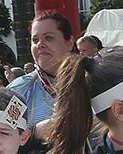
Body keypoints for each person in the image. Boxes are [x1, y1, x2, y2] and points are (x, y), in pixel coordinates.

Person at [8, 10, 76, 144]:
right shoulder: (18, 90)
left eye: (48, 38)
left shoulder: (93, 82)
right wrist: (35, 132)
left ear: (70, 42)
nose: (40, 44)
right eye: (35, 40)